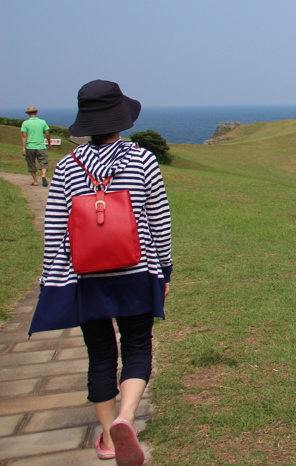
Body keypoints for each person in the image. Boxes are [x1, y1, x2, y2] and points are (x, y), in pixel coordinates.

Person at [29, 80, 172, 466]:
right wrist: (166, 268)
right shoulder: (142, 159)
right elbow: (159, 220)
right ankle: (128, 417)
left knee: (100, 353)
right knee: (138, 345)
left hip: (86, 275)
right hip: (136, 269)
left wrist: (50, 277)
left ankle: (109, 437)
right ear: (120, 119)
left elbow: (55, 226)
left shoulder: (66, 166)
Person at [20, 107, 51, 187]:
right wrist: (49, 142)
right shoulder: (42, 122)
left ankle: (35, 181)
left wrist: (23, 148)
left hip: (30, 146)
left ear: (28, 114)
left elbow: (24, 136)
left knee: (31, 163)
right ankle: (43, 175)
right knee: (43, 161)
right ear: (36, 112)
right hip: (41, 146)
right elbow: (47, 134)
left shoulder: (25, 123)